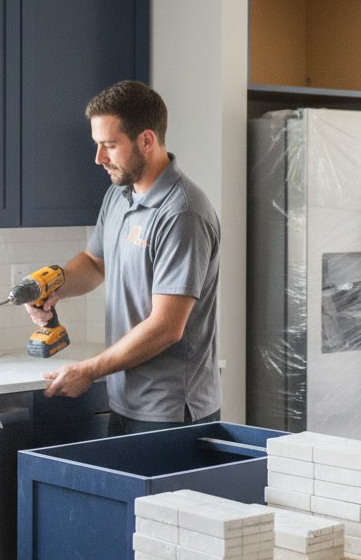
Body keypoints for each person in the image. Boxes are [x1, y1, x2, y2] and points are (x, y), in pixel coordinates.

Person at [30, 80, 221, 435]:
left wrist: (89, 370)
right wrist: (53, 286)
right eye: (97, 145)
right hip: (125, 399)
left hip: (170, 413)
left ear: (146, 140)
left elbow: (166, 327)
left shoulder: (182, 214)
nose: (98, 158)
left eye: (109, 146)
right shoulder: (120, 195)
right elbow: (95, 261)